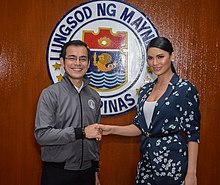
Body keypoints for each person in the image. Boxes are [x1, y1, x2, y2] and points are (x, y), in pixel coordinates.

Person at [98, 37, 201, 185]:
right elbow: (140, 127)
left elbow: (193, 134)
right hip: (146, 162)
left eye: (160, 57)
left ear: (172, 56)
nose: (155, 63)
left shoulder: (185, 89)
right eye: (151, 58)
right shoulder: (145, 90)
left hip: (173, 164)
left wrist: (191, 174)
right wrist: (111, 129)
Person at [35, 40, 102, 185]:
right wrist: (81, 132)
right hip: (58, 173)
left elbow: (95, 138)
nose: (77, 63)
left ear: (88, 63)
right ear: (62, 62)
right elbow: (42, 136)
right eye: (72, 58)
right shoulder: (50, 94)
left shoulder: (94, 96)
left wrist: (95, 170)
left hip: (87, 173)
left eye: (82, 59)